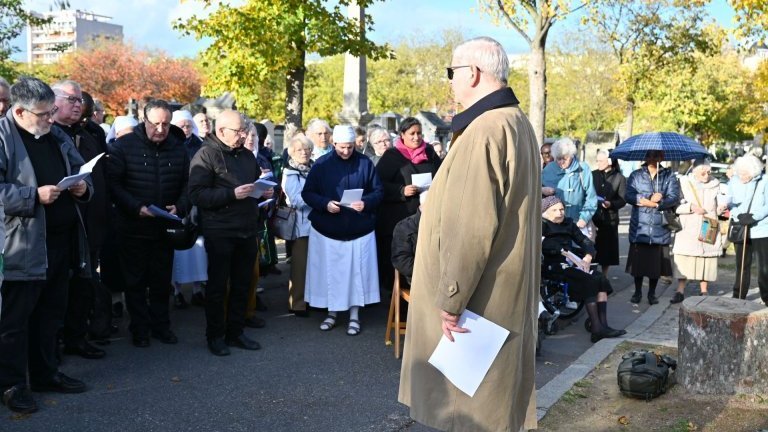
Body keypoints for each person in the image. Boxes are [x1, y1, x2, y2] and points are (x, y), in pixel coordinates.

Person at [399, 36, 539, 432]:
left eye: (452, 73)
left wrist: (451, 298)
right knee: (492, 407)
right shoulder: (517, 122)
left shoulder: (484, 130)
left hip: (478, 301)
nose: (450, 83)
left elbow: (470, 226)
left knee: (467, 410)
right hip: (498, 290)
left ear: (473, 73)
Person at [0, 76, 92, 414]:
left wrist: (84, 186)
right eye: (44, 114)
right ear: (20, 112)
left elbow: (80, 169)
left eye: (52, 112)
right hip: (20, 244)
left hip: (61, 239)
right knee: (15, 320)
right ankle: (12, 385)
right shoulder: (3, 136)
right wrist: (31, 196)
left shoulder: (54, 134)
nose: (51, 120)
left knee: (51, 313)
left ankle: (45, 373)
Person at [108, 99, 190, 348]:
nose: (161, 129)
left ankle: (161, 326)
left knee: (161, 282)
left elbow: (188, 184)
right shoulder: (123, 147)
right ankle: (140, 329)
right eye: (155, 123)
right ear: (144, 121)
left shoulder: (178, 148)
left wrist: (180, 205)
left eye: (166, 124)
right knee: (134, 282)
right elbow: (113, 184)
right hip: (133, 227)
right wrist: (136, 207)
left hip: (164, 228)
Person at [189, 110, 269, 356]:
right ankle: (215, 336)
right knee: (217, 286)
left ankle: (236, 332)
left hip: (246, 227)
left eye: (244, 130)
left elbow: (254, 183)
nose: (243, 135)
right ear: (221, 131)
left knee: (242, 284)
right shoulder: (205, 155)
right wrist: (231, 194)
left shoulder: (245, 155)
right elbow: (197, 194)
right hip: (220, 230)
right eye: (239, 131)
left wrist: (263, 190)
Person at [302, 125, 383, 336]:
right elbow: (308, 193)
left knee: (356, 274)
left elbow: (378, 191)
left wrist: (365, 203)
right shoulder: (321, 165)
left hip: (359, 229)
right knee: (332, 274)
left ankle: (355, 315)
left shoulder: (365, 163)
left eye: (349, 147)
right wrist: (325, 203)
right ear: (333, 144)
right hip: (329, 229)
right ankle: (332, 313)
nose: (346, 152)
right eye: (341, 148)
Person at [51, 80, 108, 360]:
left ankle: (77, 336)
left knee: (85, 282)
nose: (78, 104)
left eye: (79, 100)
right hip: (60, 223)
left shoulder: (88, 133)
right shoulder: (46, 135)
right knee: (59, 286)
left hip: (90, 219)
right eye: (71, 99)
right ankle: (54, 342)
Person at [541, 196, 625, 342]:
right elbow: (543, 244)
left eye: (561, 209)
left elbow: (584, 240)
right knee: (588, 281)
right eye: (554, 210)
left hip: (574, 260)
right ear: (545, 213)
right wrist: (561, 251)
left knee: (600, 278)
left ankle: (602, 325)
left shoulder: (568, 223)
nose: (560, 213)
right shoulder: (542, 225)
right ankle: (597, 329)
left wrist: (588, 255)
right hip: (554, 263)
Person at [375, 117, 441, 295]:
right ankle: (398, 303)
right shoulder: (392, 156)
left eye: (419, 133)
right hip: (399, 219)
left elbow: (443, 176)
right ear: (402, 135)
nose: (416, 137)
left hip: (427, 215)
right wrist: (401, 191)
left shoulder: (430, 153)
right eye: (412, 133)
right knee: (403, 262)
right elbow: (377, 184)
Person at [625, 150, 681, 305]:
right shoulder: (636, 175)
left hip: (659, 226)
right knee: (638, 264)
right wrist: (646, 199)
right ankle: (637, 292)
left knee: (655, 266)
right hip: (640, 225)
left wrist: (658, 202)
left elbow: (674, 197)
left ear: (662, 157)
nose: (652, 158)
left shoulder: (669, 176)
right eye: (649, 155)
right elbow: (628, 195)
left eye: (655, 156)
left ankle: (652, 293)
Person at [670, 159, 727, 303]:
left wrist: (721, 208)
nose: (707, 175)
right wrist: (691, 208)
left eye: (709, 172)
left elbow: (721, 201)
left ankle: (704, 290)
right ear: (695, 171)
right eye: (703, 172)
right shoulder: (684, 183)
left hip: (709, 224)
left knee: (706, 258)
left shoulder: (716, 184)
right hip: (688, 227)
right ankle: (680, 290)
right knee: (685, 259)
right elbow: (674, 206)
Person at [728, 155, 768, 304]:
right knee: (741, 265)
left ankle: (766, 296)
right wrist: (738, 215)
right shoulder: (734, 181)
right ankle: (738, 296)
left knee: (764, 267)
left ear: (754, 172)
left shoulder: (765, 181)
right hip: (741, 228)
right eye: (740, 173)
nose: (742, 177)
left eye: (745, 174)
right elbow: (730, 202)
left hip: (762, 230)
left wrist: (754, 216)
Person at [282, 133, 314, 317]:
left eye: (307, 149)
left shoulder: (312, 168)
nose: (304, 152)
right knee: (300, 266)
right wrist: (317, 199)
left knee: (313, 265)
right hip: (301, 225)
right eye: (299, 150)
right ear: (292, 152)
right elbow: (294, 200)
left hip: (316, 224)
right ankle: (297, 304)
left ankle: (311, 300)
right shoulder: (290, 172)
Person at [542, 137, 598, 238]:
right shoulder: (548, 169)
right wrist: (542, 190)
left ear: (572, 155)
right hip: (554, 225)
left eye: (565, 158)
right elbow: (536, 193)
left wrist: (584, 218)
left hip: (577, 223)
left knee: (578, 252)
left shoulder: (583, 168)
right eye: (558, 159)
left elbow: (591, 197)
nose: (561, 162)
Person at [591, 149, 627, 275]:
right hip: (593, 217)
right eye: (597, 160)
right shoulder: (592, 174)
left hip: (609, 219)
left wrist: (611, 204)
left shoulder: (620, 178)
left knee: (606, 252)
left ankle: (604, 277)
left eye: (601, 161)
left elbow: (623, 199)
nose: (598, 163)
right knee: (591, 248)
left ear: (610, 161)